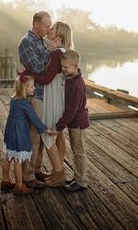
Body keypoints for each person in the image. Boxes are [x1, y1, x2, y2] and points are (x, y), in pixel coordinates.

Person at [18, 11, 61, 189]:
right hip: (34, 95)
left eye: (50, 24)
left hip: (46, 95)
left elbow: (48, 68)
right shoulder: (26, 42)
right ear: (35, 23)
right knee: (33, 136)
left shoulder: (44, 42)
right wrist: (49, 51)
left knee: (41, 136)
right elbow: (36, 67)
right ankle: (28, 176)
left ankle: (36, 169)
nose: (49, 28)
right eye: (45, 24)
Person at [31, 21, 74, 187]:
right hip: (60, 99)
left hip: (54, 99)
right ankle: (59, 170)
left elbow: (47, 78)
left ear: (59, 34)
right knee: (59, 135)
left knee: (48, 134)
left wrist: (31, 75)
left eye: (53, 28)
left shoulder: (57, 53)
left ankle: (58, 174)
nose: (49, 29)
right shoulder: (64, 51)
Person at [0, 74, 54, 195]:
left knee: (8, 157)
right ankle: (19, 186)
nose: (34, 88)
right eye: (31, 87)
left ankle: (4, 181)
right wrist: (46, 130)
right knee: (18, 161)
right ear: (24, 89)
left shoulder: (14, 99)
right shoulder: (25, 103)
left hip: (10, 132)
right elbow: (35, 119)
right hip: (19, 134)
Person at [55, 49, 90, 192]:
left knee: (79, 152)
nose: (63, 70)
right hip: (74, 122)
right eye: (62, 66)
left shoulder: (76, 84)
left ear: (76, 66)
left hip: (78, 123)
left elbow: (71, 110)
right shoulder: (71, 78)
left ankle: (81, 182)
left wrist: (59, 125)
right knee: (76, 151)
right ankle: (78, 177)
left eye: (66, 67)